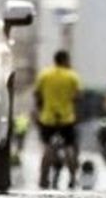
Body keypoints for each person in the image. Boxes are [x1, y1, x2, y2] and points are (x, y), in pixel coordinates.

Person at [32, 50, 82, 189]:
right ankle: (72, 178)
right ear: (66, 60)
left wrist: (41, 108)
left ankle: (43, 179)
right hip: (67, 118)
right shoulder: (72, 76)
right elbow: (78, 96)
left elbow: (37, 94)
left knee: (47, 148)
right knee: (69, 148)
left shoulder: (44, 75)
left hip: (48, 117)